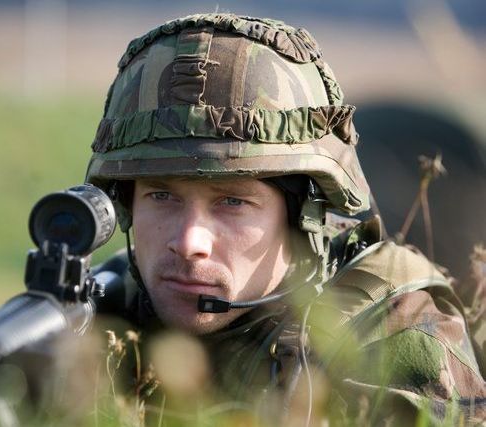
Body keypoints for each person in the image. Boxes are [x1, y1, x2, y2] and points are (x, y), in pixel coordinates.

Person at [86, 13, 486, 424]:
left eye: (232, 203)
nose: (190, 241)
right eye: (162, 195)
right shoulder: (103, 310)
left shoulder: (394, 331)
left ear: (303, 217)